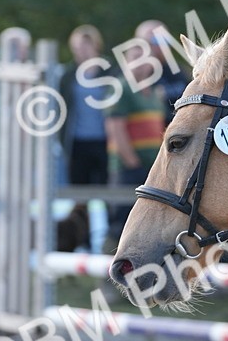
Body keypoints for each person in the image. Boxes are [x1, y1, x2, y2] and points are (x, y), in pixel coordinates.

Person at [104, 29, 167, 253]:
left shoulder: (155, 92)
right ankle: (109, 276)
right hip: (128, 169)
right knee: (120, 223)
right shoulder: (121, 88)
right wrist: (132, 163)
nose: (140, 64)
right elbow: (115, 129)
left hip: (150, 169)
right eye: (134, 58)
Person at [58, 24, 111, 188]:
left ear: (95, 45)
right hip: (77, 141)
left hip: (105, 141)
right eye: (77, 47)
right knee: (78, 189)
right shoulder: (68, 74)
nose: (81, 51)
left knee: (105, 189)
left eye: (85, 45)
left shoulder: (109, 71)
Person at [135, 19, 191, 121]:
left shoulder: (179, 72)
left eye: (164, 40)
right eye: (154, 40)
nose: (160, 45)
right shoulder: (129, 77)